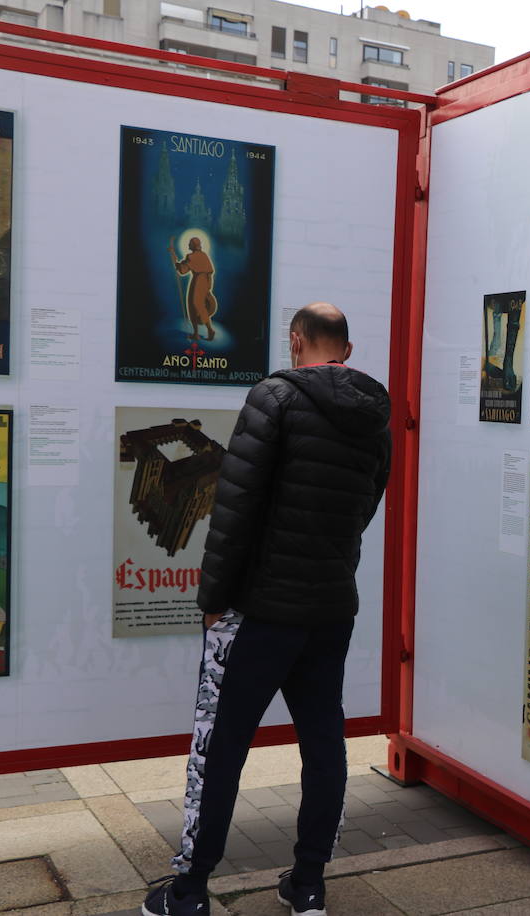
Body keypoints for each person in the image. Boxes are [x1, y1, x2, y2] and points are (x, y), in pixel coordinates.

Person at [142, 303, 391, 916]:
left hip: (259, 610)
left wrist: (213, 599)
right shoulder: (376, 419)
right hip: (331, 607)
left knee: (220, 748)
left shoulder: (272, 397)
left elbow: (234, 510)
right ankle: (307, 885)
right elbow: (363, 512)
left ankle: (191, 889)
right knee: (324, 743)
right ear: (348, 351)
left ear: (295, 340)